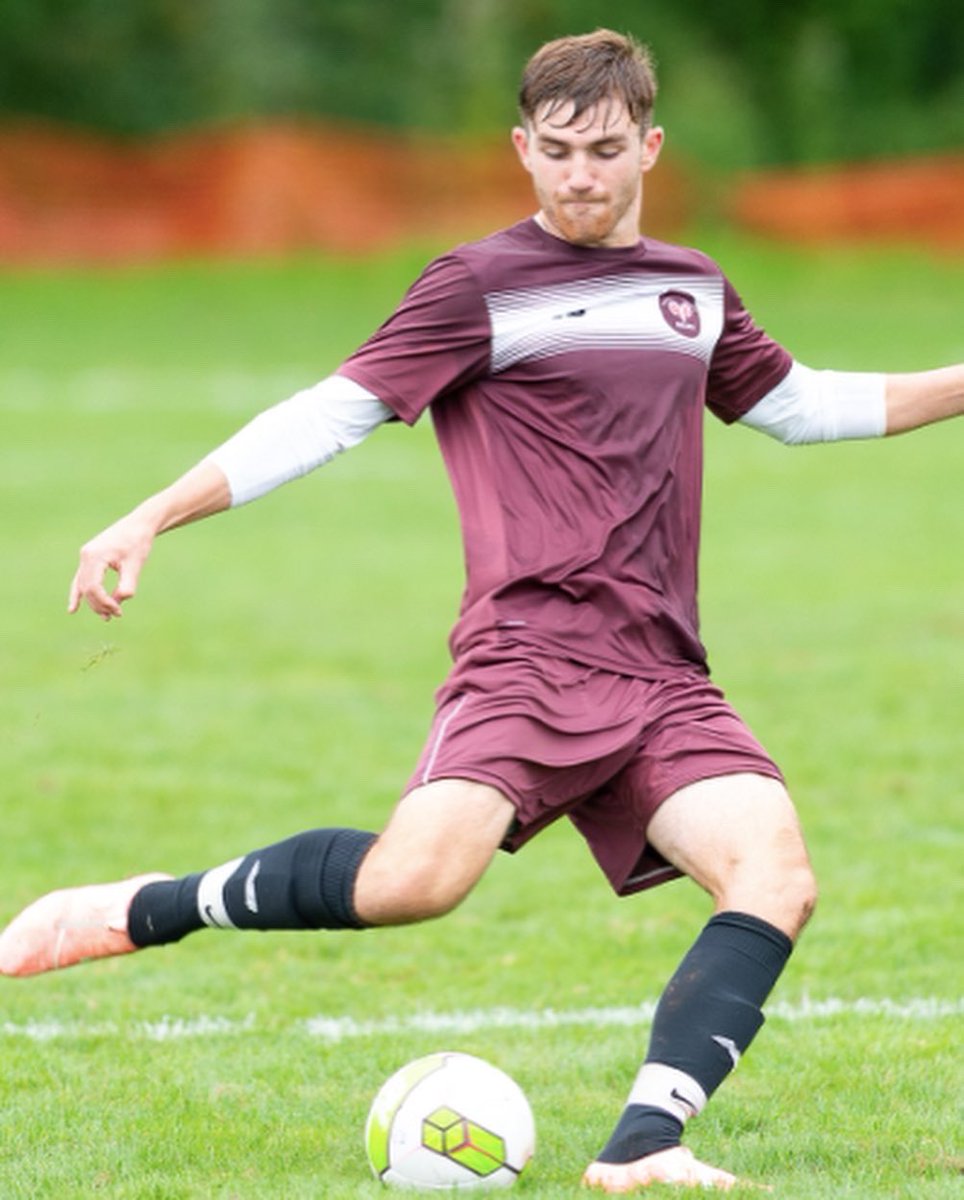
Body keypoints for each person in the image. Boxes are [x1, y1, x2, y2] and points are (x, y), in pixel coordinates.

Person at [1, 29, 962, 1192]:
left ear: (650, 146)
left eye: (603, 151)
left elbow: (801, 405)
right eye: (554, 151)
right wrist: (151, 513)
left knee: (775, 872)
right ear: (522, 147)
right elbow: (326, 416)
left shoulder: (690, 287)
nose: (577, 176)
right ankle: (150, 907)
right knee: (414, 885)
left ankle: (644, 1147)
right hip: (528, 661)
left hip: (661, 670)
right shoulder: (476, 285)